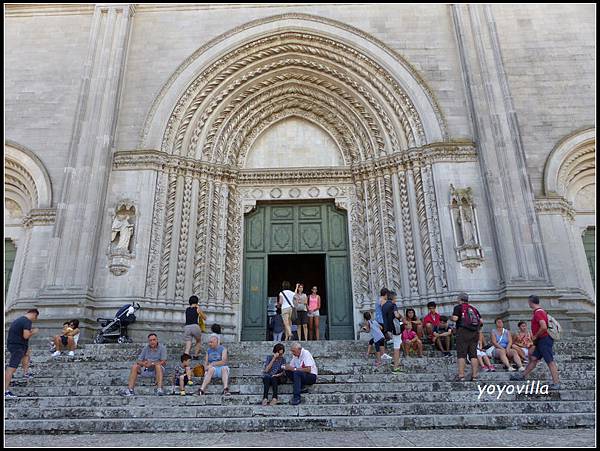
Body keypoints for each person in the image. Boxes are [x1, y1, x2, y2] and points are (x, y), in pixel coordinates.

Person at [511, 295, 561, 390]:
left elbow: (543, 327)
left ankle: (556, 383)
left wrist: (535, 336)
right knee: (533, 358)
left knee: (550, 361)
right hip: (540, 340)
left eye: (528, 302)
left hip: (544, 339)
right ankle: (523, 375)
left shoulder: (538, 313)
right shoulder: (539, 312)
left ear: (530, 302)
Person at [5, 309, 40, 398]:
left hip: (17, 345)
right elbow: (26, 335)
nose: (34, 320)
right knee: (11, 368)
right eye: (35, 318)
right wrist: (33, 332)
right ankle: (5, 391)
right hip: (17, 347)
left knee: (27, 353)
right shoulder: (27, 321)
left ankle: (25, 373)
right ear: (34, 315)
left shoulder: (20, 319)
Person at [450, 292, 482, 382]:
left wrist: (451, 318)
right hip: (475, 333)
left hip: (463, 332)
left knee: (461, 354)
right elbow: (481, 321)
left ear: (460, 299)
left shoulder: (458, 307)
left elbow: (455, 318)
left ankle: (461, 376)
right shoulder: (473, 309)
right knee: (473, 355)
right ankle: (475, 376)